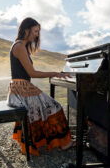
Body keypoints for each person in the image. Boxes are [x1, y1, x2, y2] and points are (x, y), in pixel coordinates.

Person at [7, 17, 75, 156]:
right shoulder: (19, 46)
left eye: (38, 32)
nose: (37, 34)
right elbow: (32, 73)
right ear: (26, 30)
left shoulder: (21, 46)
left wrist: (54, 73)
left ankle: (53, 139)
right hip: (21, 90)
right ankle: (63, 143)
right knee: (55, 106)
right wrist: (55, 73)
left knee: (47, 106)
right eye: (35, 31)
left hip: (22, 88)